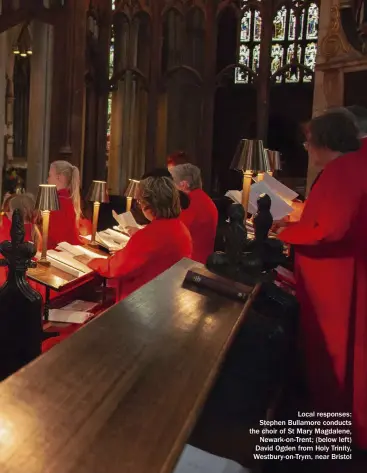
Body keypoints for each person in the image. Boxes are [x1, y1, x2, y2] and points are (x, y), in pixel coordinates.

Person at [277, 110, 367, 450]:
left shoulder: (341, 171)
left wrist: (288, 233)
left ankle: (337, 435)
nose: (307, 148)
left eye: (308, 142)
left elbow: (328, 230)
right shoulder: (354, 165)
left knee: (335, 359)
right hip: (342, 278)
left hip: (335, 285)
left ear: (322, 142)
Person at [86, 176, 192, 301]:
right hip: (168, 296)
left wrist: (90, 260)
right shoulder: (180, 228)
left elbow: (116, 268)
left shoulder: (151, 234)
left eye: (140, 202)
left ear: (149, 204)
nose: (140, 206)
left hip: (142, 303)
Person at [170, 163, 218, 264]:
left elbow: (173, 236)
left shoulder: (190, 203)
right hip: (202, 259)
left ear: (183, 185)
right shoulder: (204, 198)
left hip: (191, 264)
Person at [0, 193, 42, 286]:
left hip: (13, 280)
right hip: (30, 279)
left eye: (9, 210)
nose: (6, 213)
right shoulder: (34, 230)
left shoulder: (14, 233)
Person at [46, 160, 82, 248]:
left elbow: (57, 237)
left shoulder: (59, 202)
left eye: (50, 175)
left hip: (60, 252)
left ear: (59, 177)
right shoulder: (66, 198)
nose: (47, 179)